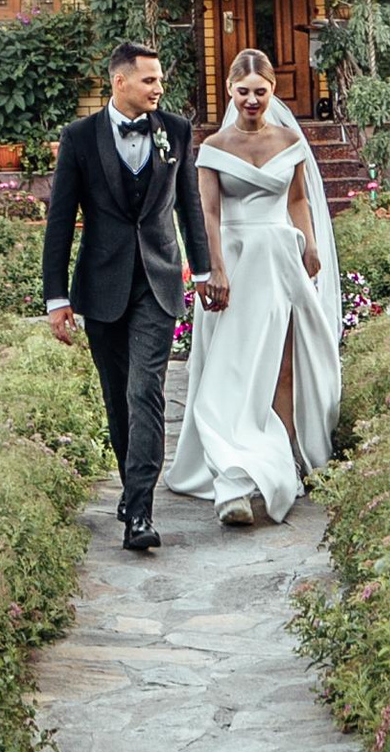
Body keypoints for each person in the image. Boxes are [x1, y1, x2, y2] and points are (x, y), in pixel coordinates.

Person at [43, 40, 210, 555]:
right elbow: (60, 220)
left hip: (158, 282)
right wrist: (56, 297)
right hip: (102, 286)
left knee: (145, 392)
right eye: (149, 79)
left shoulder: (176, 131)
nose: (159, 88)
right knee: (118, 399)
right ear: (120, 81)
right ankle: (130, 484)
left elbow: (189, 205)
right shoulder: (79, 137)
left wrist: (203, 270)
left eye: (160, 80)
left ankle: (139, 511)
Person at [167, 47, 344, 530]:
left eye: (260, 92)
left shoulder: (290, 140)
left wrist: (309, 245)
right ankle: (234, 467)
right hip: (236, 262)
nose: (251, 100)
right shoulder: (213, 147)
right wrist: (215, 269)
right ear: (230, 90)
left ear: (272, 91)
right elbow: (208, 213)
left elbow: (298, 199)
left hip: (280, 259)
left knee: (284, 362)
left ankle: (285, 456)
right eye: (243, 91)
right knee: (232, 363)